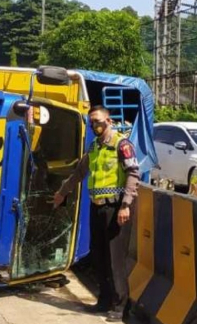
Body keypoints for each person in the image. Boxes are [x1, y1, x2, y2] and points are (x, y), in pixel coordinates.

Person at [53, 105, 139, 322]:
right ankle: (103, 301)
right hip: (97, 207)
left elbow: (133, 174)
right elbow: (79, 173)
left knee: (114, 259)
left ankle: (120, 308)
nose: (95, 125)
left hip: (116, 209)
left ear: (109, 121)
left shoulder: (122, 144)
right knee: (98, 256)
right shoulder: (94, 147)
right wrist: (62, 193)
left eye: (98, 121)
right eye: (92, 122)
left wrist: (126, 205)